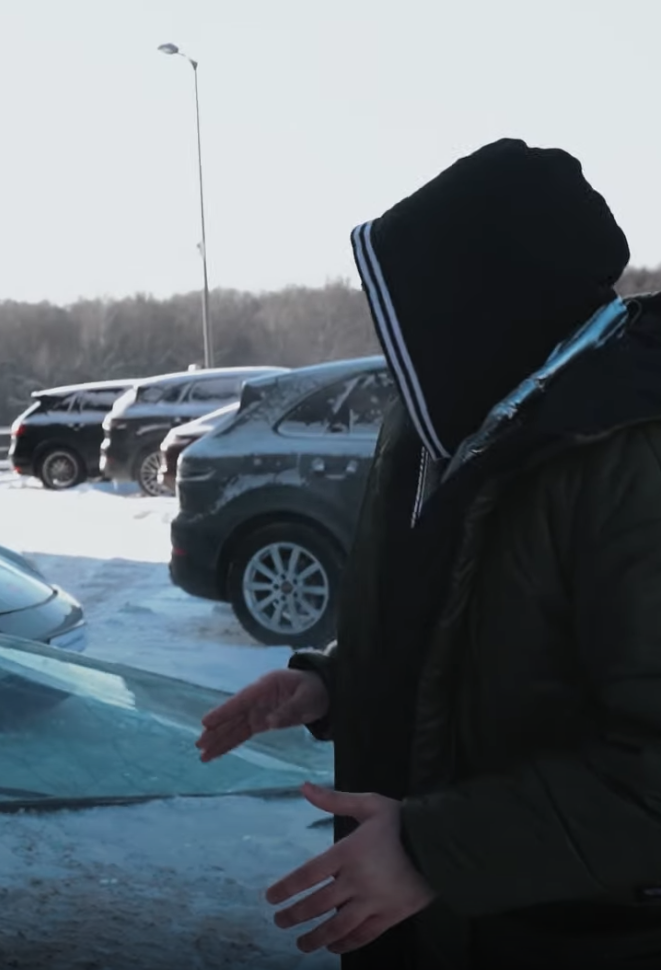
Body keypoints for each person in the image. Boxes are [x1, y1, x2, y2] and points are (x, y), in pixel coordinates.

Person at [195, 138, 661, 968]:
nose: (402, 336)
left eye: (422, 304)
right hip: (420, 930)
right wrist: (335, 682)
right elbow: (465, 628)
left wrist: (435, 850)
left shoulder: (629, 462)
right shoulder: (442, 424)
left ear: (498, 298)